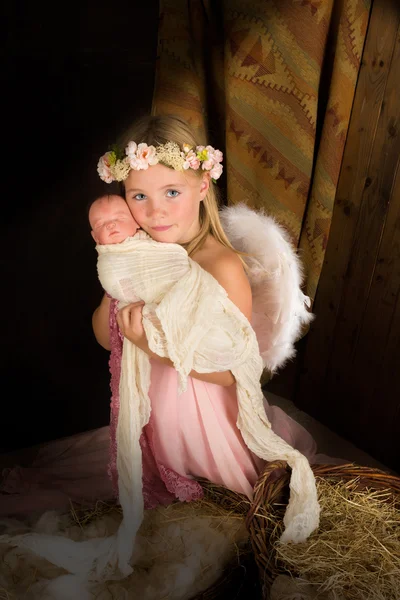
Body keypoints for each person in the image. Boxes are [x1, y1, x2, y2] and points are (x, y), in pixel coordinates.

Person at [0, 115, 322, 595]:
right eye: (139, 197)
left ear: (200, 189)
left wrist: (157, 346)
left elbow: (238, 371)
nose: (155, 211)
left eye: (171, 192)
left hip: (207, 421)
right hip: (155, 414)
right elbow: (105, 336)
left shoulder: (220, 264)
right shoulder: (138, 256)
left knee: (209, 515)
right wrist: (115, 292)